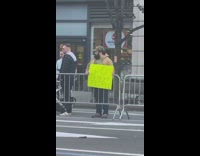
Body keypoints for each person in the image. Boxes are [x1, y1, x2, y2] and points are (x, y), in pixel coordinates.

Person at [86, 46, 114, 119]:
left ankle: (105, 112)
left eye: (96, 52)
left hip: (104, 83)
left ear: (100, 52)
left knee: (104, 97)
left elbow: (112, 71)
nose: (95, 53)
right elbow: (88, 66)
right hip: (95, 82)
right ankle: (98, 112)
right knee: (97, 97)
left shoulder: (108, 60)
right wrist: (87, 71)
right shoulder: (93, 60)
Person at [59, 43, 77, 116]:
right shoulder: (73, 56)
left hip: (66, 78)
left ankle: (67, 110)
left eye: (64, 48)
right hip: (70, 77)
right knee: (68, 94)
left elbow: (64, 68)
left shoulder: (67, 56)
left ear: (68, 48)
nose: (62, 50)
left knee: (66, 94)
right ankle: (68, 110)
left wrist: (61, 77)